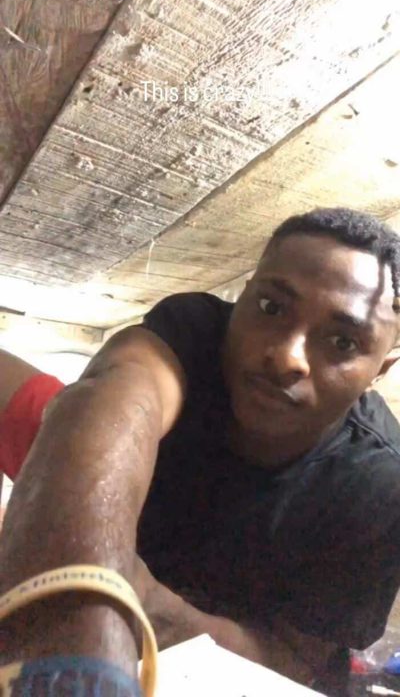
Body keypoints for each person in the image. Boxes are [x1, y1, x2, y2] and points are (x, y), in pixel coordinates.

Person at [1, 208, 400, 696]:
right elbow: (119, 393)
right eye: (271, 308)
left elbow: (294, 661)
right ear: (243, 297)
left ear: (381, 368)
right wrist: (81, 600)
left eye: (342, 341)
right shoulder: (197, 331)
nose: (287, 356)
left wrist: (145, 605)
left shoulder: (381, 487)